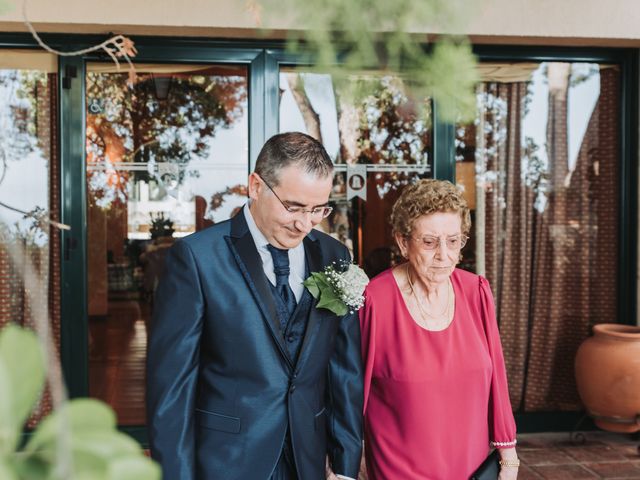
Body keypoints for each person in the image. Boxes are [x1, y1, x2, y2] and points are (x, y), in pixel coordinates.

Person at [147, 132, 364, 480]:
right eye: (293, 207)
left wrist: (345, 466)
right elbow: (172, 391)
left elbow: (344, 371)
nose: (304, 224)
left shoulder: (334, 255)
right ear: (256, 186)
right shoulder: (196, 258)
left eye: (317, 210)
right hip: (227, 462)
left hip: (308, 461)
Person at [359, 179, 519, 480]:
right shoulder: (375, 301)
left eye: (454, 241)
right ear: (403, 242)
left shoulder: (476, 292)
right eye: (429, 242)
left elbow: (497, 375)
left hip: (470, 466)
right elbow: (352, 395)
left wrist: (508, 456)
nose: (444, 255)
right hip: (400, 468)